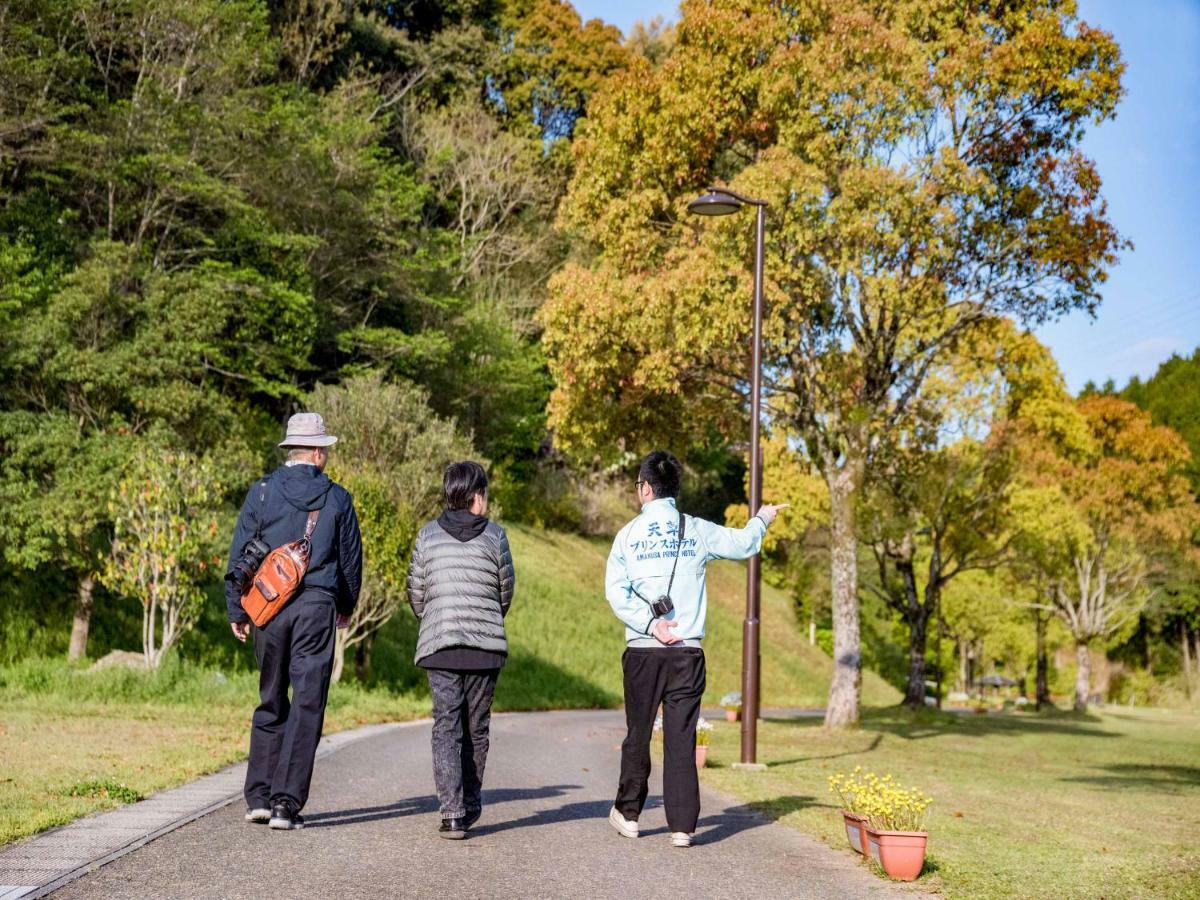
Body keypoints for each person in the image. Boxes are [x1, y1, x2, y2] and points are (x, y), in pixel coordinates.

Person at [605, 450, 786, 848]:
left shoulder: (628, 536)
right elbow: (742, 545)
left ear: (646, 488)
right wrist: (762, 518)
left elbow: (615, 593)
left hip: (642, 649)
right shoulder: (697, 530)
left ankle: (630, 814)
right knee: (681, 736)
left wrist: (651, 624)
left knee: (638, 732)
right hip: (687, 652)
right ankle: (683, 825)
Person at [226, 412, 362, 831]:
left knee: (270, 697)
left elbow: (239, 553)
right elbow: (350, 562)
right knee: (307, 704)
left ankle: (259, 798)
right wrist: (345, 606)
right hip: (317, 608)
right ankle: (286, 805)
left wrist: (237, 608)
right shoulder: (338, 499)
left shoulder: (263, 492)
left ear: (291, 450)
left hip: (268, 607)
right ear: (318, 452)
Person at [407, 461, 515, 840]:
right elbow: (505, 594)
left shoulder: (426, 536)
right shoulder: (496, 537)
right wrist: (484, 621)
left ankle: (452, 813)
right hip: (484, 649)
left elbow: (417, 595)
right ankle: (469, 806)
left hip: (441, 647)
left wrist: (437, 620)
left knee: (446, 727)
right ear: (476, 496)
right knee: (477, 728)